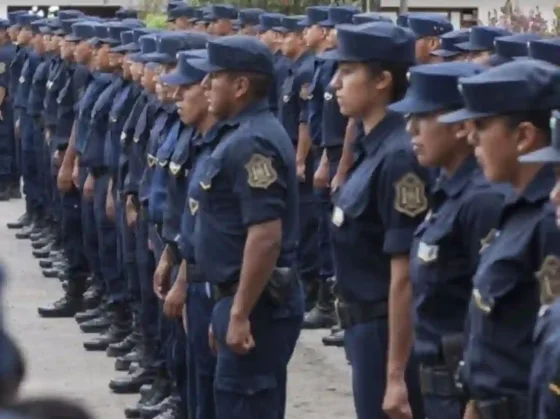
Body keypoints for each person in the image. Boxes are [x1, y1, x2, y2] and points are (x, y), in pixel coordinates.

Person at [188, 35, 304, 418]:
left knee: (246, 406)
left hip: (258, 304)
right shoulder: (239, 134)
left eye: (214, 77)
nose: (204, 86)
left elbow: (266, 236)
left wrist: (238, 312)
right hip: (240, 296)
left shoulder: (253, 141)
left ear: (240, 86)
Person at [437, 59, 560, 419]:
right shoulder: (513, 207)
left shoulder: (548, 223)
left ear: (523, 136)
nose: (469, 136)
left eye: (481, 125)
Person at [320, 21, 427, 419]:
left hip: (387, 332)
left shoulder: (399, 157)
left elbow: (404, 275)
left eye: (347, 73)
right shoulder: (373, 147)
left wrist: (395, 373)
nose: (335, 84)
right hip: (364, 327)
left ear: (382, 79)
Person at [388, 61, 505, 419]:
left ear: (461, 127)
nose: (411, 130)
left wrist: (476, 401)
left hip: (462, 392)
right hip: (437, 384)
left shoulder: (482, 200)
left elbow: (491, 314)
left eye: (422, 119)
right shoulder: (448, 189)